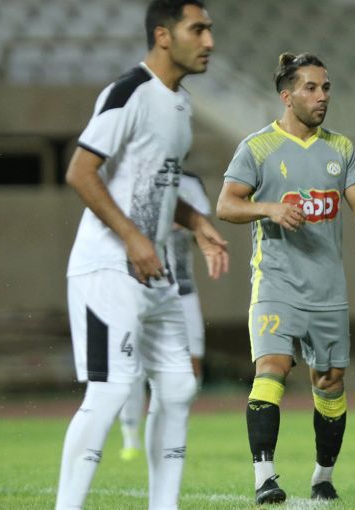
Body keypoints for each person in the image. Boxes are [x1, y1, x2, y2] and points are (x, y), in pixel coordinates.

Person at [54, 2, 227, 510]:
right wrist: (132, 238)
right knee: (109, 391)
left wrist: (197, 224)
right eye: (198, 29)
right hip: (107, 269)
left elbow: (156, 188)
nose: (209, 41)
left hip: (154, 273)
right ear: (164, 35)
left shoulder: (181, 104)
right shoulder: (129, 91)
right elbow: (80, 172)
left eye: (210, 30)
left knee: (178, 388)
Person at [216, 52, 355, 504]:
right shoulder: (257, 148)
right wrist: (268, 208)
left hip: (327, 289)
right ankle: (264, 478)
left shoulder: (340, 148)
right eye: (311, 88)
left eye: (326, 87)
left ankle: (323, 477)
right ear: (287, 96)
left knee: (329, 381)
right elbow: (226, 205)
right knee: (271, 367)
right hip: (275, 283)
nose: (322, 96)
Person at [118, 170, 213, 461]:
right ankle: (130, 435)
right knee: (133, 364)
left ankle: (175, 424)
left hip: (182, 287)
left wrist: (189, 225)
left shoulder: (191, 182)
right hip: (138, 286)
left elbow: (202, 229)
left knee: (191, 362)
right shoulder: (134, 175)